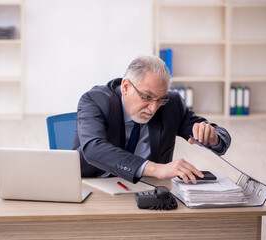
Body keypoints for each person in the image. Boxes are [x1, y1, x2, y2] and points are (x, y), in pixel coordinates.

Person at [72, 55, 231, 184]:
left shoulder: (171, 105)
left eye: (160, 99)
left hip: (148, 191)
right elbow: (94, 148)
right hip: (93, 185)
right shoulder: (95, 100)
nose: (154, 108)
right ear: (126, 87)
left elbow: (221, 135)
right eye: (147, 97)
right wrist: (156, 169)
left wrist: (213, 137)